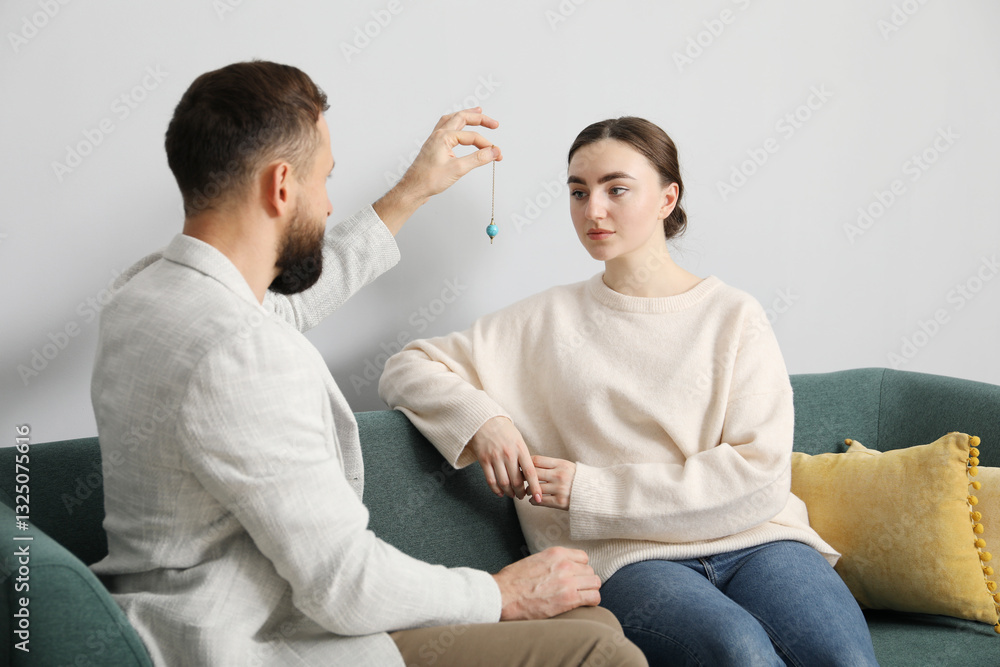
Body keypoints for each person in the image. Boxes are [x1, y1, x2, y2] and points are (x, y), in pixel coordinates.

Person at [89, 61, 647, 667]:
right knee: (599, 649)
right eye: (325, 179)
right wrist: (499, 592)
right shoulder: (242, 352)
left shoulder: (143, 295)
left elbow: (279, 308)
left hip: (167, 620)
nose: (330, 205)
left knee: (592, 618)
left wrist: (412, 192)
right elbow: (344, 587)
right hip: (250, 646)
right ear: (281, 185)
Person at [379, 116, 881, 666]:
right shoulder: (543, 320)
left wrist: (591, 491)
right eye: (578, 192)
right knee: (739, 651)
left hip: (761, 540)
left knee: (846, 660)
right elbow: (408, 367)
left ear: (668, 198)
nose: (592, 210)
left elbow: (759, 475)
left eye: (616, 189)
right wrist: (484, 421)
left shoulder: (734, 316)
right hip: (626, 559)